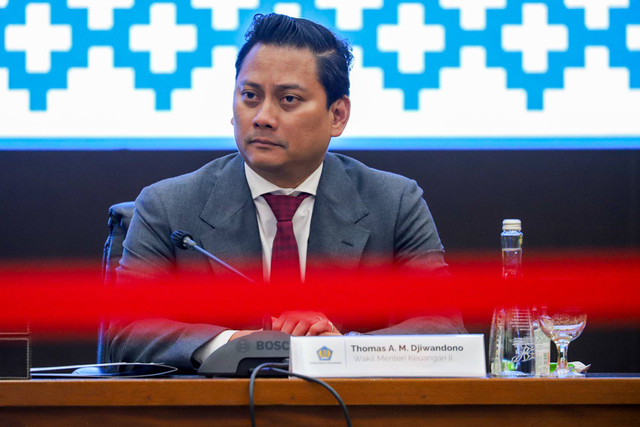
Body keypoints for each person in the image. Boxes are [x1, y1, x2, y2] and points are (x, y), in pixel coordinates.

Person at [106, 13, 465, 371]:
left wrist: (344, 351)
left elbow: (445, 328)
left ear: (337, 115)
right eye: (250, 95)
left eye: (288, 99)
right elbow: (126, 332)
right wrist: (230, 344)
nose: (262, 116)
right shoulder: (167, 206)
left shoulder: (394, 202)